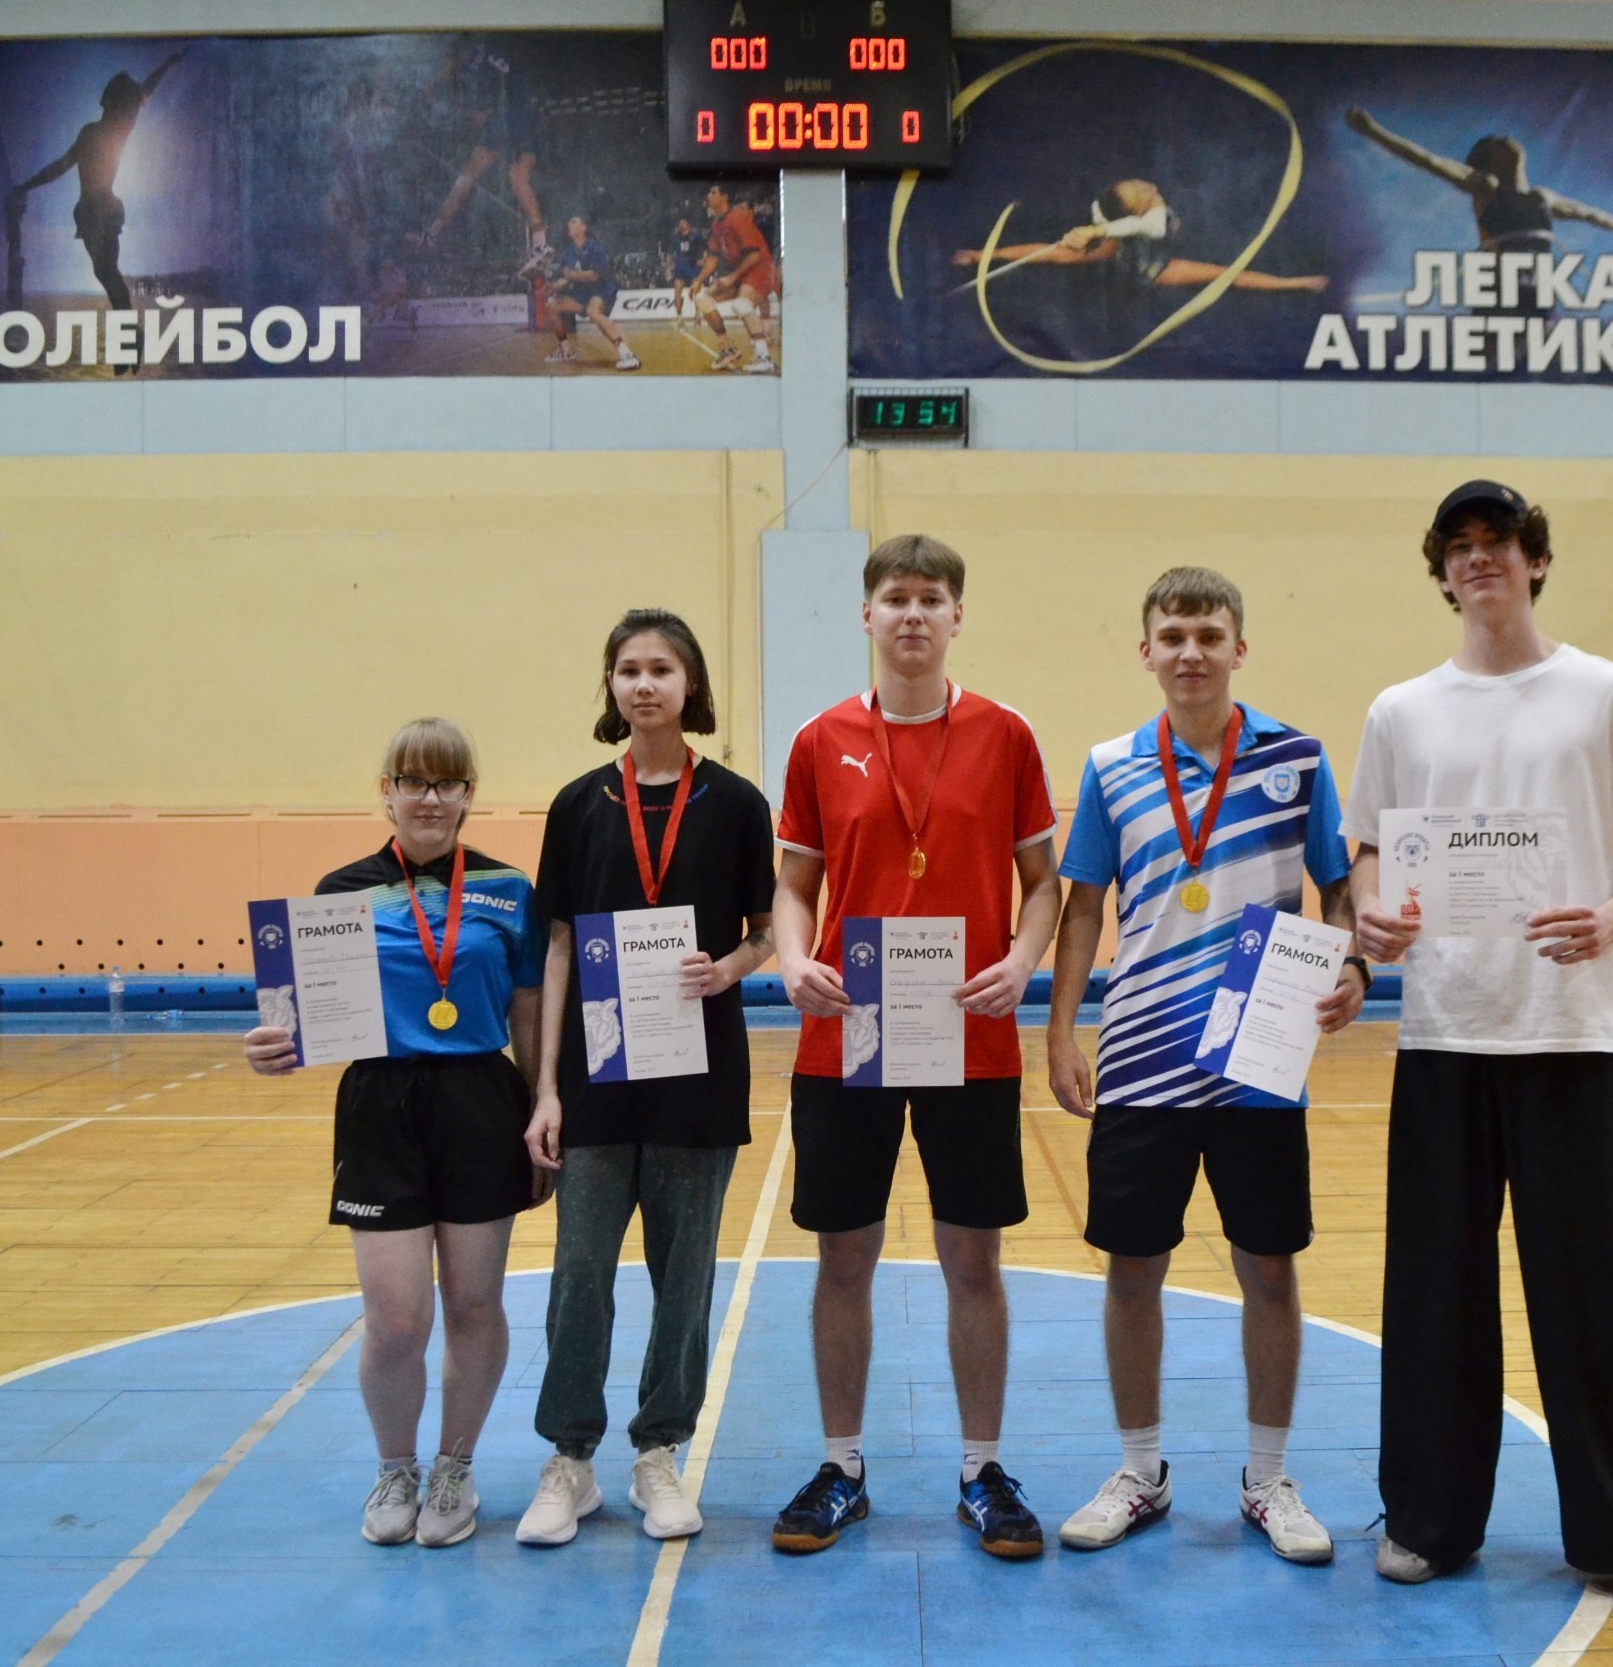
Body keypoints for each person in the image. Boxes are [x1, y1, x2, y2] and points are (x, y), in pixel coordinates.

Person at [1342, 480, 1613, 1609]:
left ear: (1535, 560)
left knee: (1594, 1299)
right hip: (1444, 1039)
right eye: (1459, 546)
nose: (1479, 558)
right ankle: (1428, 1521)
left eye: (1498, 541)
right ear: (1441, 571)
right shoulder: (1401, 710)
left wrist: (1612, 915)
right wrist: (1373, 914)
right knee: (1434, 1297)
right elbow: (1367, 854)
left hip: (1572, 1037)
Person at [1045, 567, 1365, 1564]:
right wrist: (1059, 1031)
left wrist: (1353, 963)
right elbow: (1083, 905)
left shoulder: (1298, 759)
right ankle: (1140, 1472)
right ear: (1146, 650)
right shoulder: (1111, 766)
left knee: (1267, 1266)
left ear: (1239, 648)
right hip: (1142, 1057)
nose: (1191, 652)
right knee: (1132, 1267)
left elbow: (1339, 886)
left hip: (1258, 1060)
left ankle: (1267, 1479)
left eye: (1209, 634)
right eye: (1173, 635)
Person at [769, 534, 1062, 1560]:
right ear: (866, 614)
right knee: (843, 1254)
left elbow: (1044, 884)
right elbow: (793, 884)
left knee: (972, 1257)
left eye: (932, 598)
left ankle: (983, 1469)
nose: (912, 614)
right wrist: (790, 957)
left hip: (970, 1031)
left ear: (956, 617)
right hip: (845, 1026)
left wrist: (1021, 960)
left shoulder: (1007, 734)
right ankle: (841, 1467)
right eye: (895, 597)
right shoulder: (819, 738)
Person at [241, 718, 548, 1549]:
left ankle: (455, 1468)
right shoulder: (340, 892)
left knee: (474, 1304)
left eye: (447, 783)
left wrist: (540, 1103)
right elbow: (298, 1017)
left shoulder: (508, 889)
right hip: (381, 1106)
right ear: (386, 792)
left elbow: (527, 1008)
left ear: (469, 795)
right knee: (397, 1319)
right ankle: (395, 1468)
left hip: (481, 1100)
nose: (430, 799)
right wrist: (272, 1047)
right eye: (413, 781)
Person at [517, 611, 774, 1546]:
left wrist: (726, 970)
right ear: (612, 687)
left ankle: (659, 1450)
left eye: (661, 668)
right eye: (627, 669)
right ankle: (570, 1459)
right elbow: (556, 948)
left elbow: (767, 932)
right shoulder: (579, 803)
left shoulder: (736, 802)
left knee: (685, 1277)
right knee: (579, 1273)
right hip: (595, 1079)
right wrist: (546, 1090)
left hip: (698, 1079)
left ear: (690, 683)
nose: (644, 684)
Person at [5, 50, 187, 348]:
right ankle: (130, 333)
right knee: (106, 273)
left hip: (98, 208)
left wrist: (165, 66)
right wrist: (27, 186)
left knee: (107, 273)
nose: (127, 107)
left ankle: (131, 335)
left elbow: (144, 91)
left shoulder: (109, 131)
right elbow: (60, 166)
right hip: (94, 210)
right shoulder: (99, 132)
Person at [950, 178, 1329, 293]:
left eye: (1139, 184)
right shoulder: (1131, 220)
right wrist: (1086, 235)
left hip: (1124, 233)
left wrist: (1094, 229)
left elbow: (1132, 224)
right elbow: (1127, 229)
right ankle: (1294, 283)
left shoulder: (1146, 215)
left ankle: (1294, 282)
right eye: (1141, 195)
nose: (1148, 188)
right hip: (1148, 267)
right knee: (1222, 275)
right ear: (1134, 208)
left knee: (1083, 247)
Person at [1343, 110, 1613, 260]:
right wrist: (1373, 131)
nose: (1506, 139)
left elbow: (1588, 214)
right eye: (1498, 143)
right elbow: (1427, 160)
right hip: (1497, 289)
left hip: (1536, 291)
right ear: (1490, 161)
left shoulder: (1543, 197)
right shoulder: (1486, 186)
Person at [413, 35, 548, 276]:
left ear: (459, 53)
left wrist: (433, 92)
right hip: (529, 116)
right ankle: (540, 245)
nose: (447, 67)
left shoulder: (474, 61)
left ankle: (432, 233)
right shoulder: (489, 53)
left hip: (508, 117)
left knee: (469, 174)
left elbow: (480, 114)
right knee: (518, 178)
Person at [695, 184, 779, 374]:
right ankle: (728, 349)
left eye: (713, 192)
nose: (708, 196)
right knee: (702, 297)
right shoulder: (716, 225)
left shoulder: (737, 218)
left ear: (724, 197)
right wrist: (699, 280)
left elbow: (755, 255)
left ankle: (764, 357)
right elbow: (713, 258)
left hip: (761, 268)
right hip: (742, 272)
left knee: (741, 304)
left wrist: (731, 278)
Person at [543, 214, 641, 371]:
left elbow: (593, 275)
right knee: (552, 306)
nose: (569, 224)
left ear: (582, 228)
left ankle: (627, 354)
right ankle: (566, 351)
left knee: (593, 312)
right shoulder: (568, 252)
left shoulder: (595, 248)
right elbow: (566, 279)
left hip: (602, 289)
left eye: (573, 222)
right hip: (582, 293)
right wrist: (554, 286)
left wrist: (571, 274)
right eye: (569, 222)